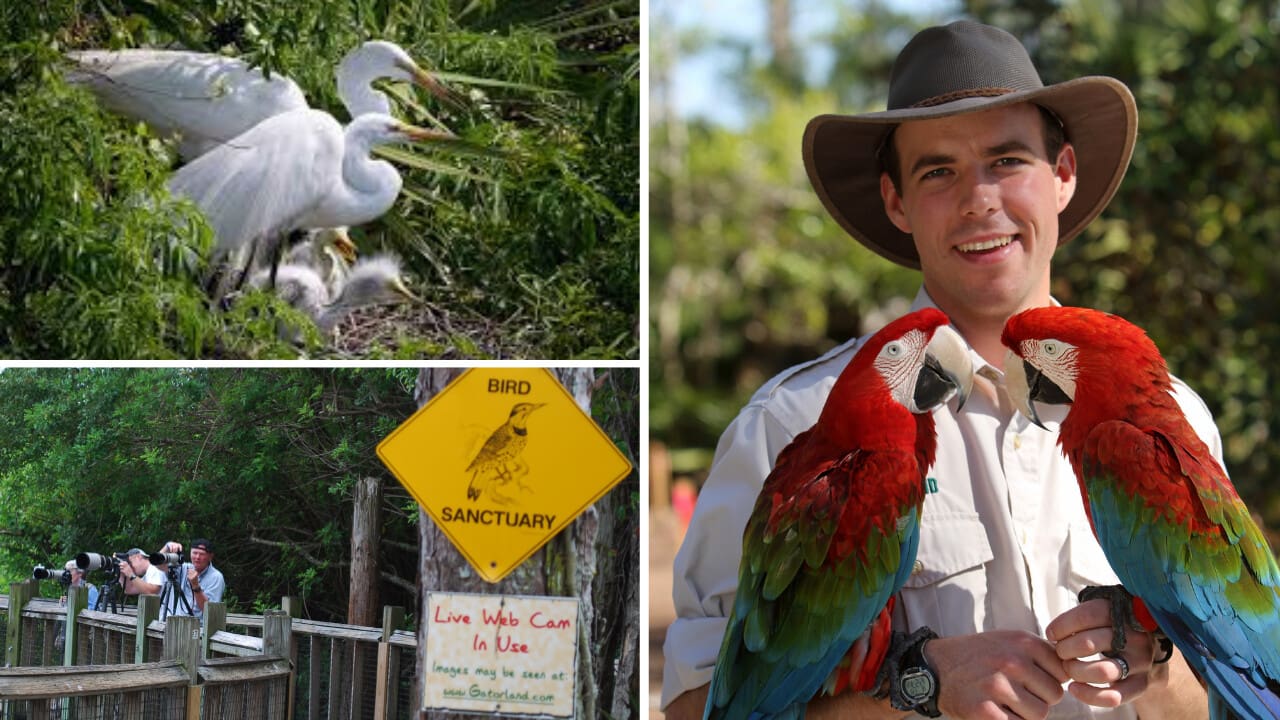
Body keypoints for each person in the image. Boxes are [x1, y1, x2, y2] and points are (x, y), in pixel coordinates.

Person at [662, 20, 1216, 720]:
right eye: (938, 171)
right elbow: (694, 707)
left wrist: (1158, 675)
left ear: (1064, 175)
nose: (978, 199)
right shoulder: (796, 424)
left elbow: (1228, 693)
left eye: (1009, 160)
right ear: (897, 202)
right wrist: (917, 691)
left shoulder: (1173, 421)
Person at [156, 538, 225, 620]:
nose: (197, 557)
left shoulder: (216, 577)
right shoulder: (184, 568)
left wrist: (195, 586)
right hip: (179, 622)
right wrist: (168, 546)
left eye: (202, 554)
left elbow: (210, 611)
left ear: (210, 557)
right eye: (194, 553)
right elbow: (158, 563)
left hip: (200, 627)